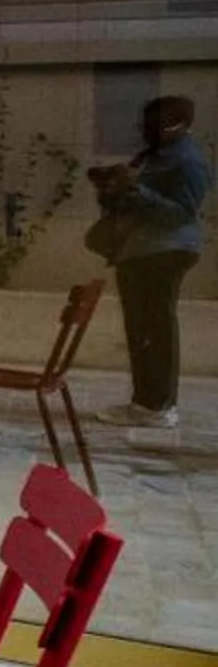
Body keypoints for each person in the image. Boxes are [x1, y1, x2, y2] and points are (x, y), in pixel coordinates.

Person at [87, 95, 210, 428]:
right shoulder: (152, 157)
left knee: (155, 328)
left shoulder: (187, 161)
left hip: (164, 251)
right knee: (141, 329)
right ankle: (146, 403)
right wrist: (110, 188)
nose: (145, 130)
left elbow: (180, 215)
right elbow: (131, 203)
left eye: (154, 124)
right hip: (139, 251)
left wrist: (136, 190)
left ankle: (158, 407)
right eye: (144, 123)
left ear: (178, 125)